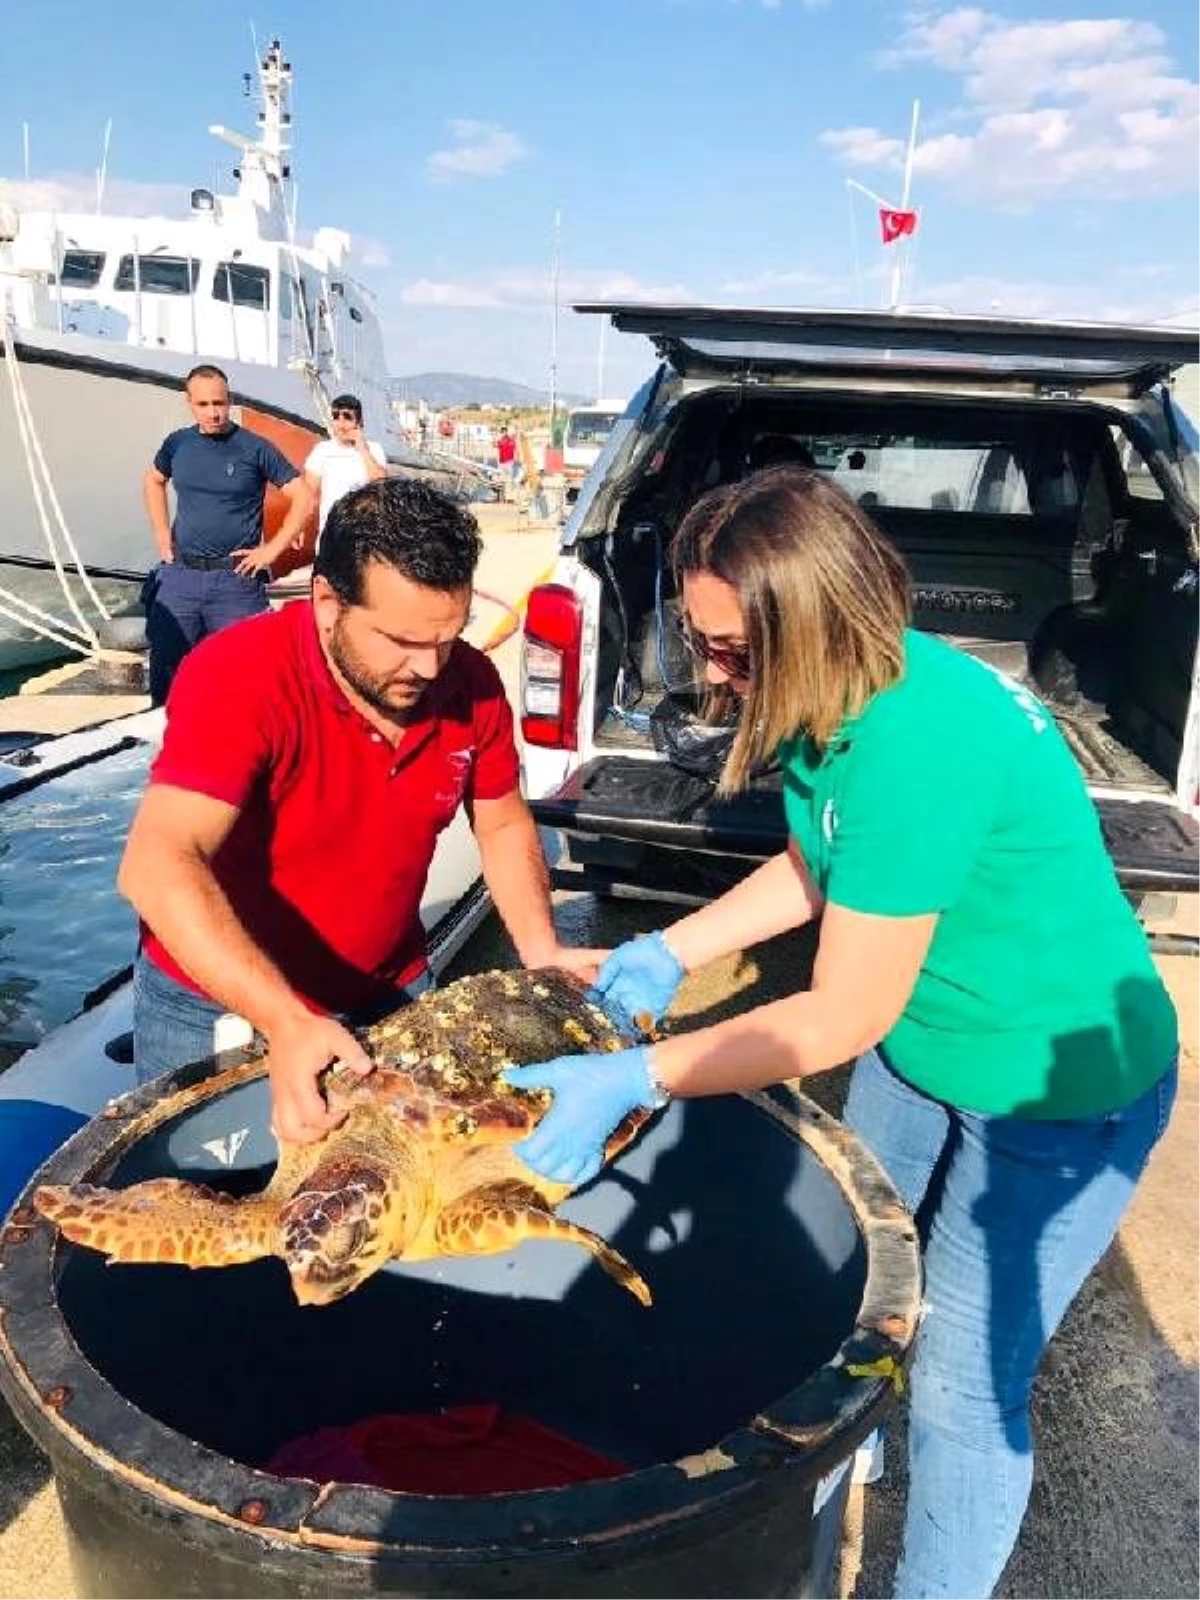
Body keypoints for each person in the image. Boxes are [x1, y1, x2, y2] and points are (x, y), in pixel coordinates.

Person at [503, 466, 1178, 1600]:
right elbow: (823, 858)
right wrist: (673, 947)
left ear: (809, 618)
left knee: (967, 1386)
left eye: (730, 649)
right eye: (701, 637)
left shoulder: (922, 740)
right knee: (857, 1275)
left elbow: (840, 1011)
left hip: (1055, 1089)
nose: (712, 669)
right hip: (929, 1049)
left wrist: (638, 1073)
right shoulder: (834, 701)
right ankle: (845, 1434)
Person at [119, 476, 597, 1145]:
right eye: (400, 640)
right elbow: (156, 863)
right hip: (213, 1007)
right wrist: (285, 1021)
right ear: (326, 601)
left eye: (449, 636)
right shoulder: (240, 675)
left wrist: (542, 947)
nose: (429, 668)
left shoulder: (473, 685)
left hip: (389, 993)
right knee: (196, 1206)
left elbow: (503, 819)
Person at [142, 364, 314, 706]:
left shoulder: (255, 448)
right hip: (181, 578)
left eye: (219, 403)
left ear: (230, 400)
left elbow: (304, 496)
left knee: (246, 679)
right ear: (188, 403)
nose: (213, 412)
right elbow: (153, 480)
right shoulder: (177, 444)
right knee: (168, 678)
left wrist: (272, 550)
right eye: (203, 404)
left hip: (236, 582)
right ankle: (167, 750)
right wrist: (162, 533)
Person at [303, 393, 388, 544]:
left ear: (359, 422)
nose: (341, 424)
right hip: (330, 539)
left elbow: (382, 485)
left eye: (347, 417)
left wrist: (362, 449)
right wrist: (298, 527)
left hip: (364, 540)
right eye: (336, 416)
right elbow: (307, 493)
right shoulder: (322, 450)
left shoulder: (374, 449)